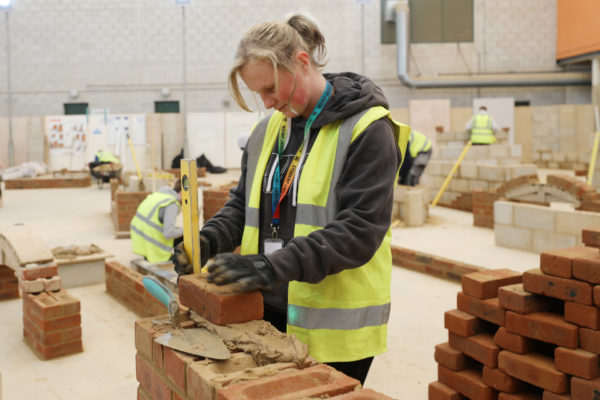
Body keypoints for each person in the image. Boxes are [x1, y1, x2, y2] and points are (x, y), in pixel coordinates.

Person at [172, 13, 409, 384]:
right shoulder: (269, 129)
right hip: (268, 311)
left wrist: (267, 267)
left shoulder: (368, 129)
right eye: (258, 93)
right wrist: (210, 239)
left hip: (337, 331)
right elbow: (242, 205)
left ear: (301, 62)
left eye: (270, 89)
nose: (266, 103)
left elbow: (360, 230)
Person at [130, 180, 183, 263]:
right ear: (182, 192)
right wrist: (187, 230)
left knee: (179, 231)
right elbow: (168, 233)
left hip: (141, 240)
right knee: (186, 236)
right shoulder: (172, 204)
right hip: (154, 246)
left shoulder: (158, 195)